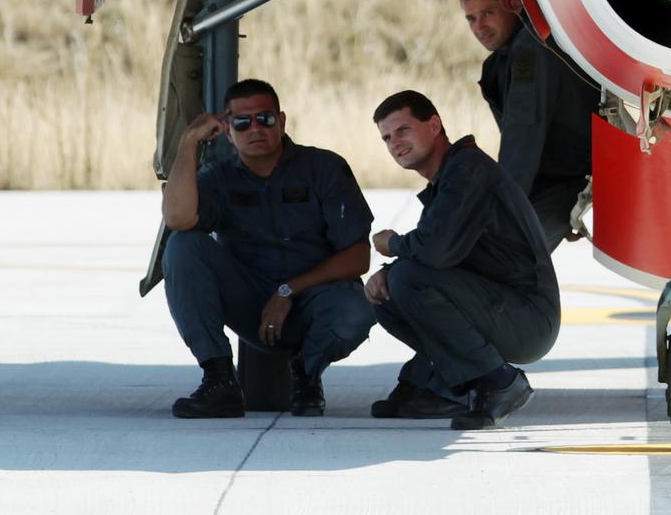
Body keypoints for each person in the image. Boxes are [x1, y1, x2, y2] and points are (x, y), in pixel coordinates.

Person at [161, 78, 375, 419]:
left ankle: (306, 372)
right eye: (242, 123)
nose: (255, 129)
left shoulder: (324, 168)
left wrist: (288, 290)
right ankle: (219, 379)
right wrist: (189, 142)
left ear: (282, 121)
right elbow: (177, 218)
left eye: (265, 119)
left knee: (358, 308)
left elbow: (359, 256)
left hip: (314, 302)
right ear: (227, 130)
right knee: (182, 246)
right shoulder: (218, 177)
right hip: (250, 303)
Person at [367, 90, 560, 428]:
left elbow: (435, 250)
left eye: (403, 130)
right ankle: (444, 386)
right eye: (387, 138)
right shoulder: (451, 175)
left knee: (407, 280)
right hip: (501, 306)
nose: (395, 143)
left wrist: (393, 244)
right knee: (386, 293)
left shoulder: (467, 170)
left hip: (527, 319)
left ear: (434, 125)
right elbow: (442, 253)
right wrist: (387, 271)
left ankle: (501, 382)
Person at [461, 0, 600, 252]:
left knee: (505, 256)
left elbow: (523, 135)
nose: (479, 27)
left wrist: (505, 206)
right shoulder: (500, 62)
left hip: (567, 183)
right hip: (547, 183)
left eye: (488, 13)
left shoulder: (532, 48)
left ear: (513, 5)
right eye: (471, 18)